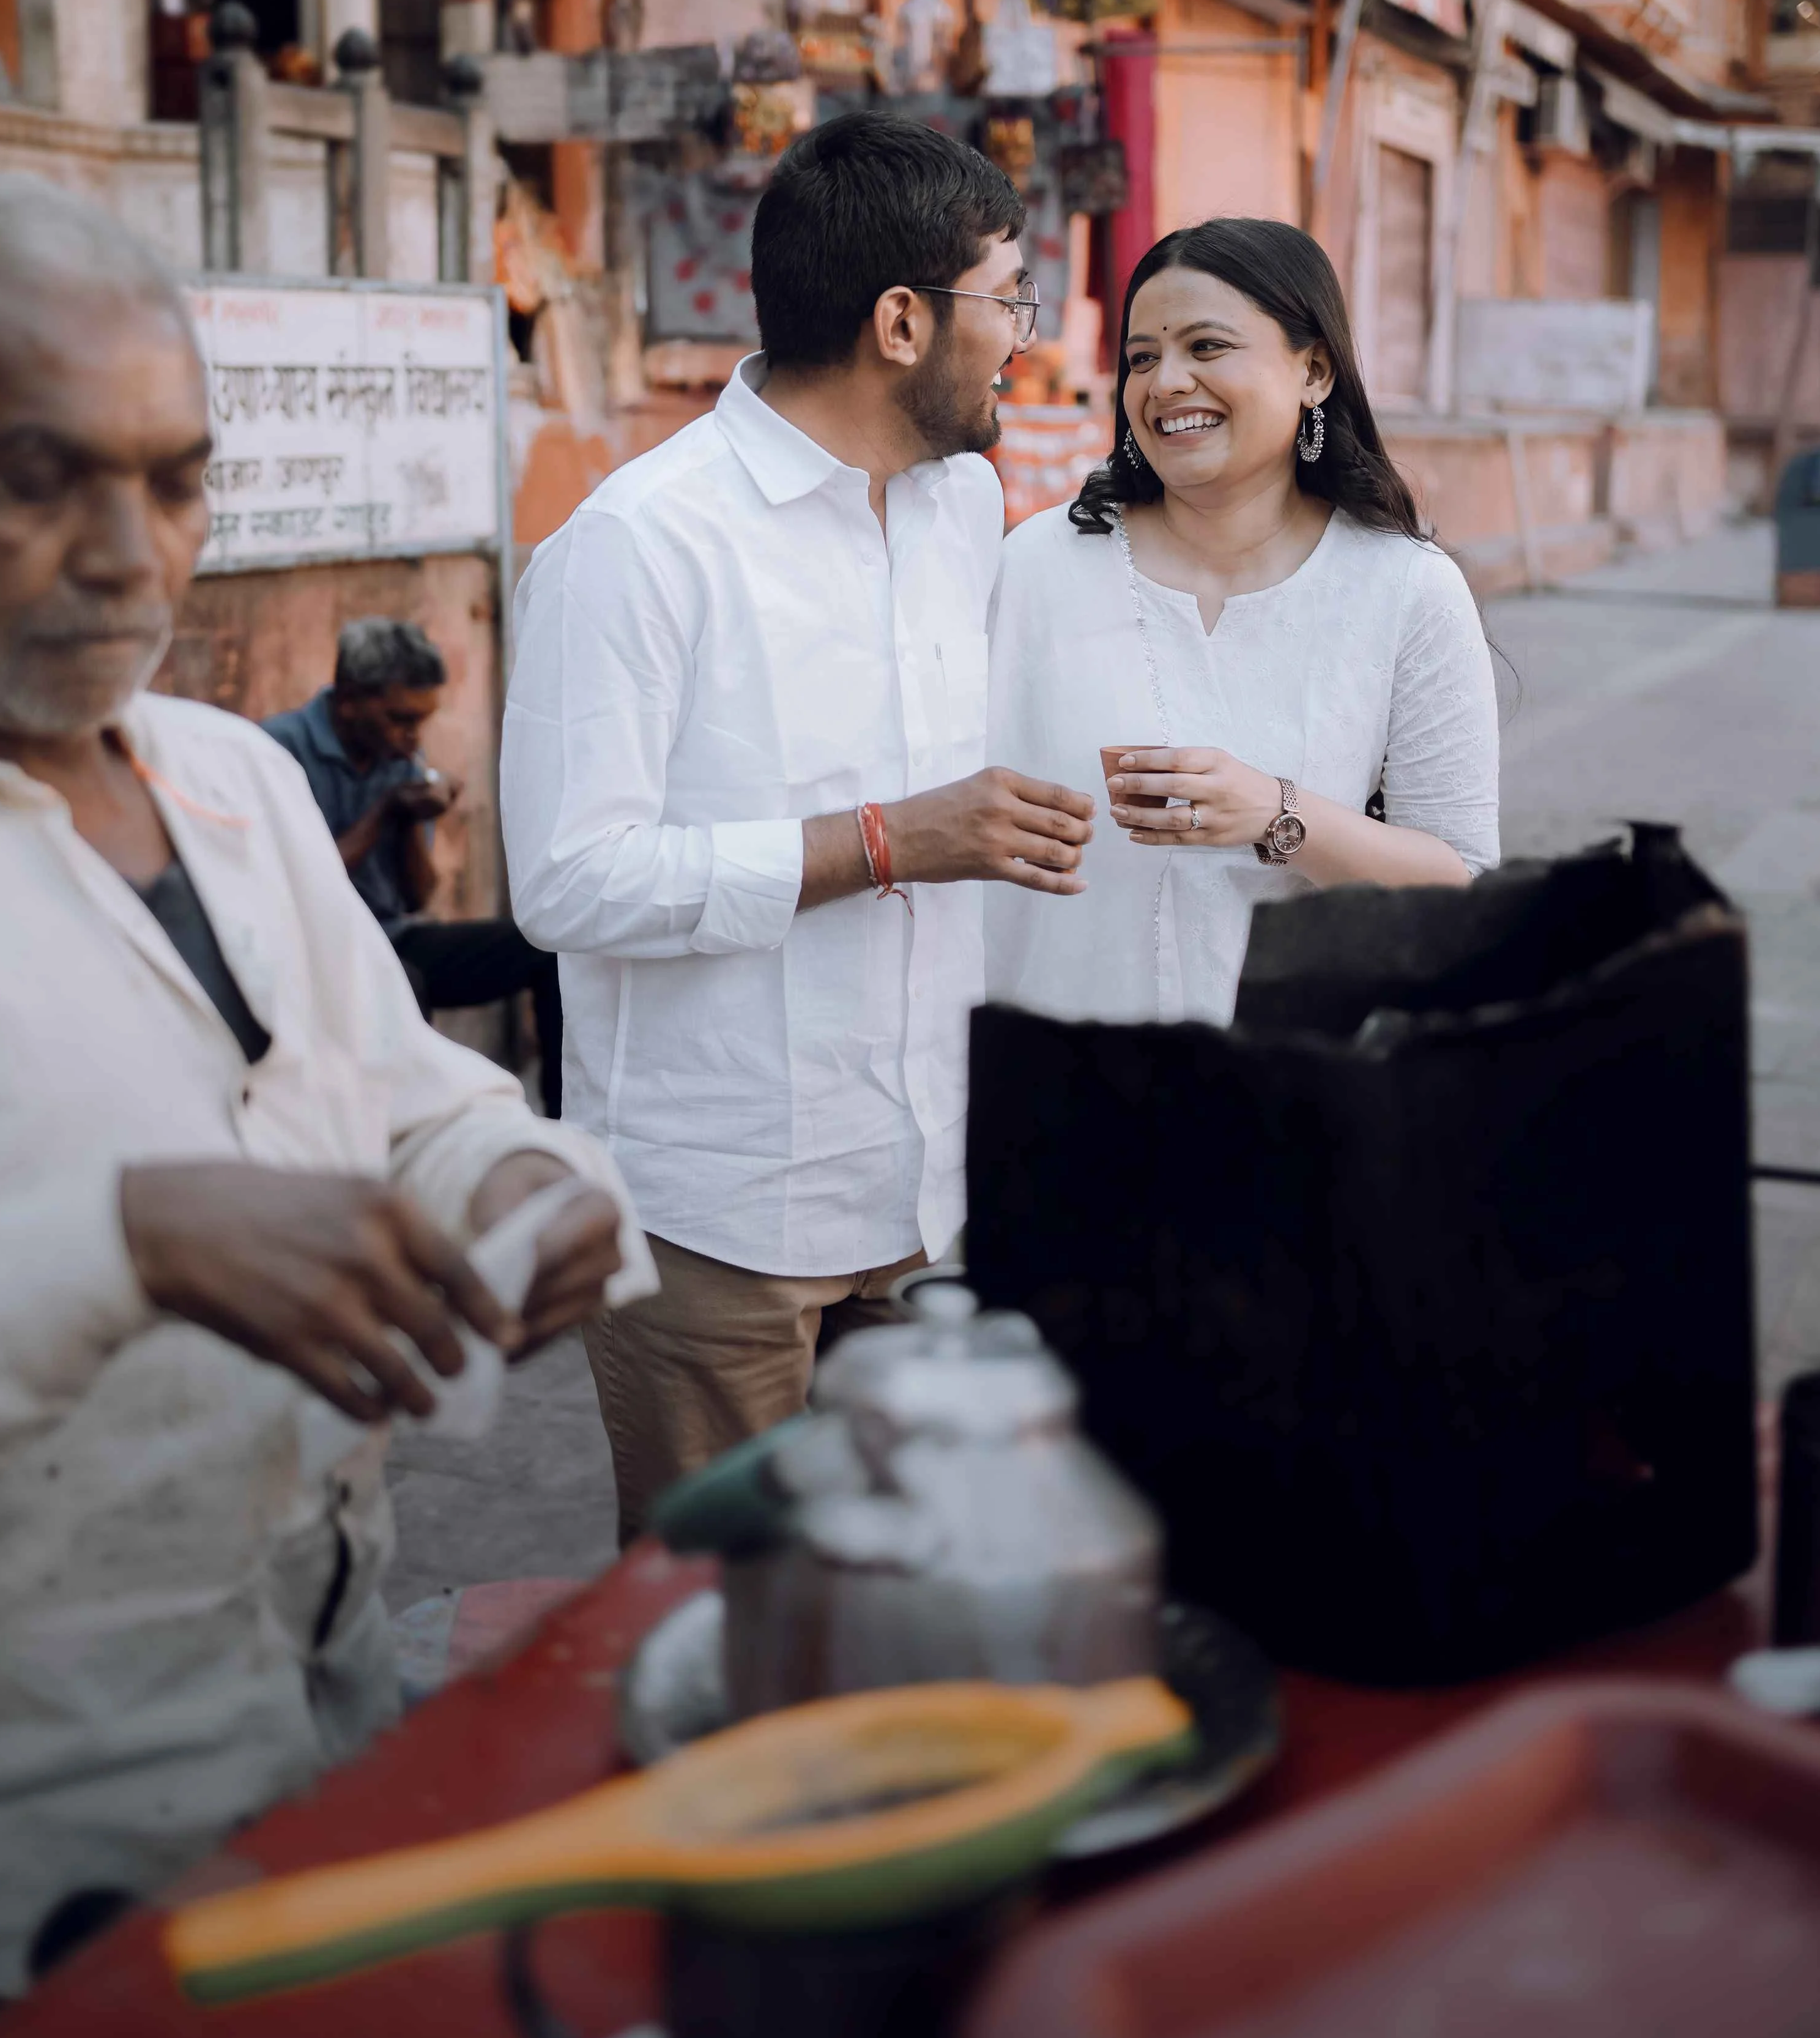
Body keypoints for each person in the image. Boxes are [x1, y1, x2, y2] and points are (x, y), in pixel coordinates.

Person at [0, 177, 644, 2009]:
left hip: (318, 1727)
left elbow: (402, 1091)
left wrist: (517, 1175)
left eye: (175, 478)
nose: (130, 554)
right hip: (8, 1869)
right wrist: (120, 1239)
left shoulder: (226, 780)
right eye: (36, 476)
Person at [502, 111, 1094, 1536]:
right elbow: (568, 881)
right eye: (1005, 296)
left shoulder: (961, 499)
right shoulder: (637, 547)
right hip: (721, 1216)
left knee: (920, 1596)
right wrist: (887, 839)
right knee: (729, 1612)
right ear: (899, 320)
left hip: (923, 1181)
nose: (1022, 331)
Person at [987, 217, 1499, 1028]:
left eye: (1207, 347)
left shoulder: (1404, 589)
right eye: (1143, 357)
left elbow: (1458, 881)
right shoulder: (1038, 566)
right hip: (1052, 1074)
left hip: (1288, 1093)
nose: (1166, 383)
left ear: (1315, 370)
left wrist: (1275, 811)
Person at [266, 620, 565, 1116]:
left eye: (420, 722)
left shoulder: (397, 756)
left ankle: (564, 1119)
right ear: (349, 700)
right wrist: (383, 810)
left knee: (546, 948)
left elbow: (417, 899)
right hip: (312, 946)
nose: (412, 737)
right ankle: (409, 1133)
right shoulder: (278, 750)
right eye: (400, 719)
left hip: (392, 936)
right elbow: (298, 880)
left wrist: (412, 822)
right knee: (403, 980)